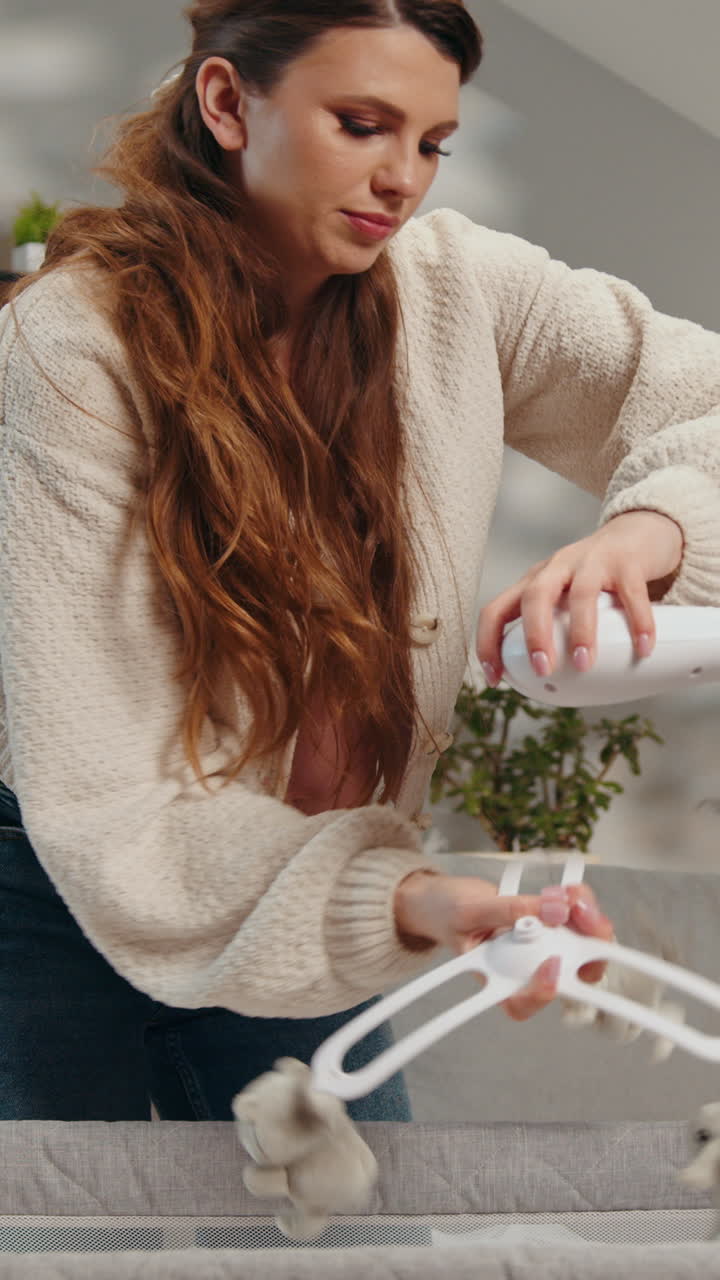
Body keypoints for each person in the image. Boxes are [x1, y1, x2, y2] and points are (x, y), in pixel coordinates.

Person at [0, 0, 714, 1125]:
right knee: (67, 1217)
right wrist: (412, 896)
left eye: (433, 143)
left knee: (358, 1213)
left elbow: (697, 395)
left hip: (318, 880)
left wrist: (655, 526)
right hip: (57, 885)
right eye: (362, 125)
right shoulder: (72, 347)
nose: (402, 179)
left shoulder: (458, 288)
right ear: (227, 102)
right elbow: (114, 790)